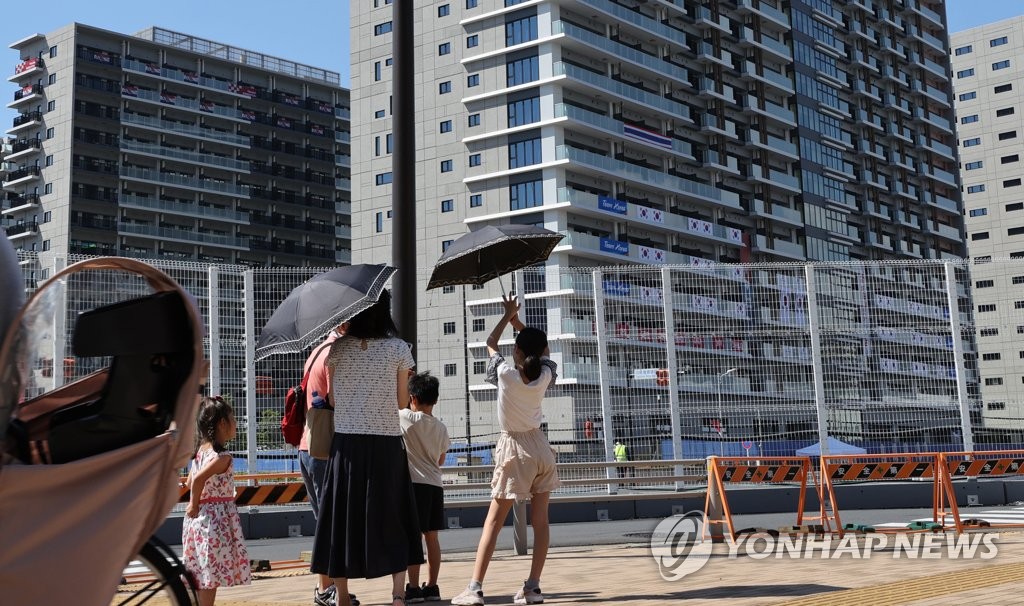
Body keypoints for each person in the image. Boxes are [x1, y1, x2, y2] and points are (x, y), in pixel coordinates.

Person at [310, 290, 424, 606]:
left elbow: (332, 400)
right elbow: (402, 402)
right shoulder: (399, 349)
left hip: (346, 445)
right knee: (393, 514)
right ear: (386, 312)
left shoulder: (336, 350)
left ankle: (342, 595)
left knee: (341, 519)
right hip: (386, 443)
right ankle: (398, 594)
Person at [452, 293, 560, 606]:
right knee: (540, 521)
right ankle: (533, 587)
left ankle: (474, 588)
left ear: (516, 351)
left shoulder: (505, 375)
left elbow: (489, 342)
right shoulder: (545, 374)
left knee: (494, 521)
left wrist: (506, 317)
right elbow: (542, 351)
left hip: (513, 447)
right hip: (541, 446)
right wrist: (518, 323)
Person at [300, 324, 359, 606]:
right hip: (325, 447)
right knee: (332, 523)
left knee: (324, 522)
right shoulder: (334, 354)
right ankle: (328, 589)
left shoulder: (315, 352)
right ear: (344, 325)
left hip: (308, 444)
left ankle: (326, 588)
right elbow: (336, 399)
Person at [181, 396, 251, 606]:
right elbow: (199, 479)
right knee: (210, 574)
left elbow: (190, 480)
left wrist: (195, 503)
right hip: (214, 520)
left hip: (199, 519)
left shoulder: (200, 453)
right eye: (233, 419)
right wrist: (194, 503)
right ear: (222, 424)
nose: (236, 424)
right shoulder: (223, 457)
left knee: (201, 571)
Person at [400, 371, 450, 603]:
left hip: (414, 485)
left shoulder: (405, 418)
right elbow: (440, 460)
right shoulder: (441, 427)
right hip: (435, 485)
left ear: (413, 398)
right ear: (436, 400)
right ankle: (432, 587)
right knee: (432, 538)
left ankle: (412, 588)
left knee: (413, 537)